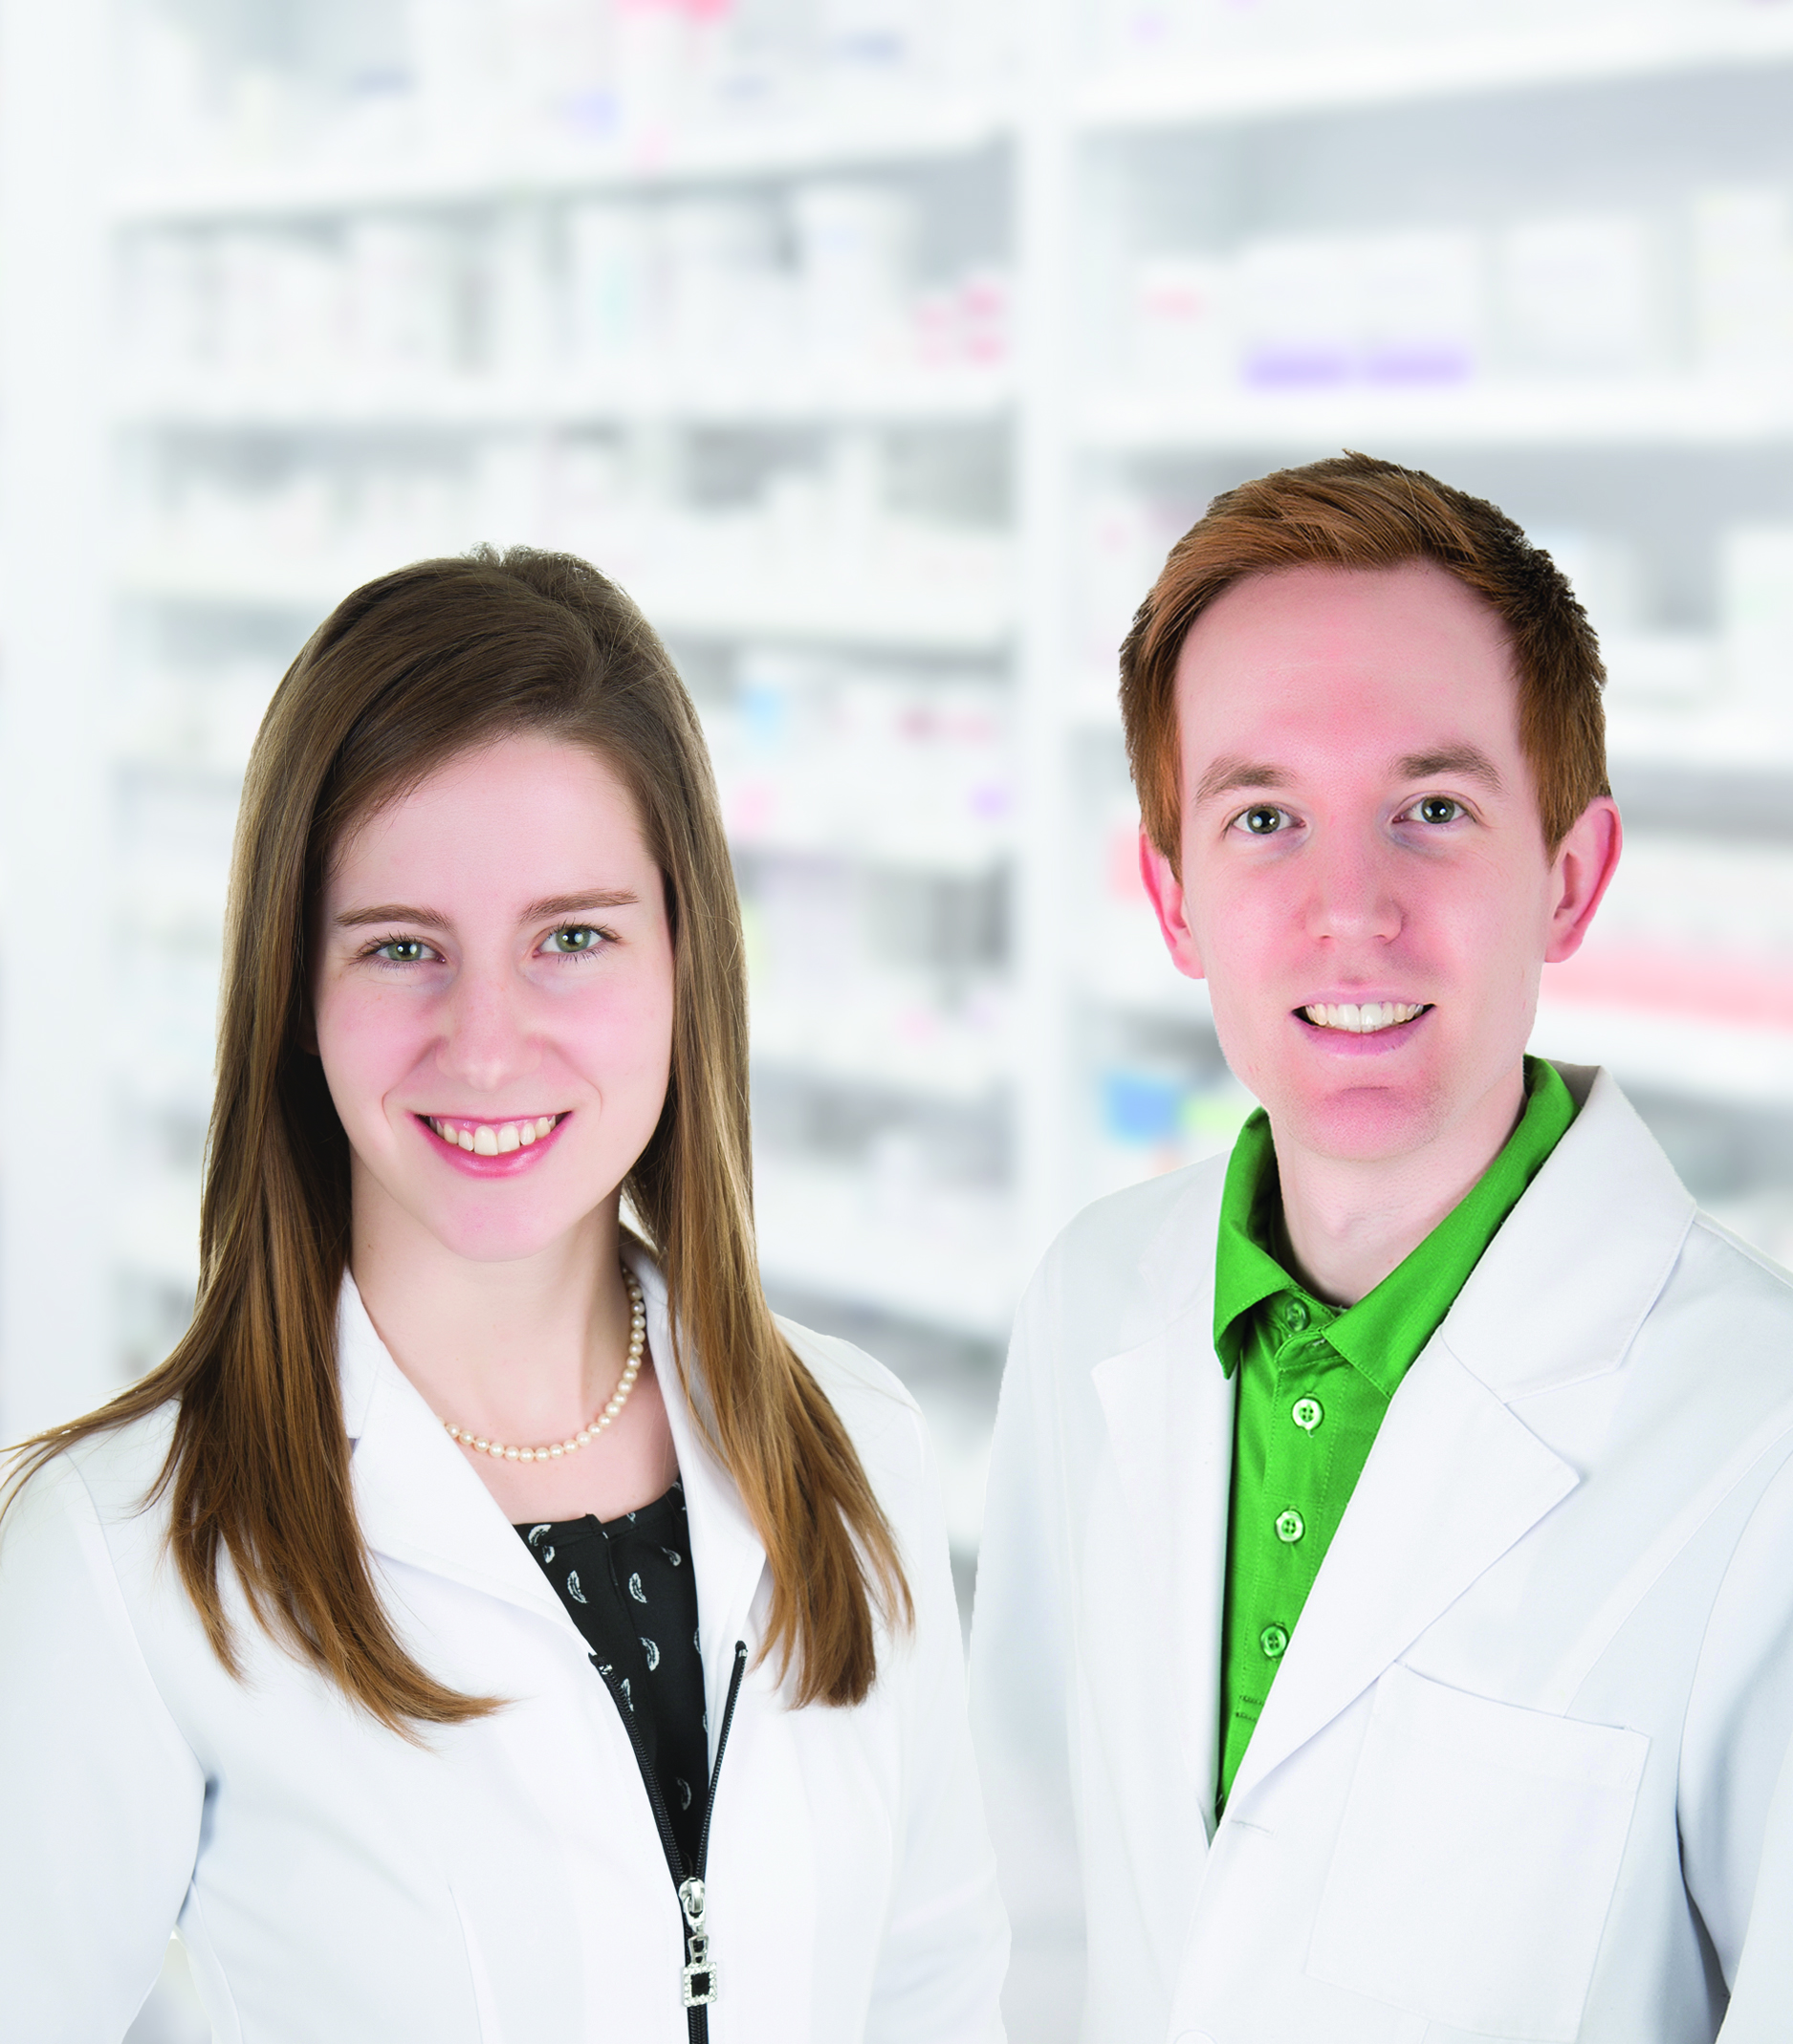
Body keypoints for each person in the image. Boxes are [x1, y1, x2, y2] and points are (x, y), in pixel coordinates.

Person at [0, 547, 1006, 2042]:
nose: (484, 1045)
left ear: (687, 963)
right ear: (296, 990)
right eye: (401, 947)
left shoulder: (855, 1450)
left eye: (572, 938)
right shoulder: (130, 1555)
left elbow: (935, 1995)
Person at [968, 453, 1793, 2044]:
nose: (1349, 911)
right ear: (1171, 897)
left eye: (1430, 811)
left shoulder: (1759, 1434)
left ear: (1568, 877)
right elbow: (1028, 1906)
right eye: (1263, 817)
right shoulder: (1090, 1302)